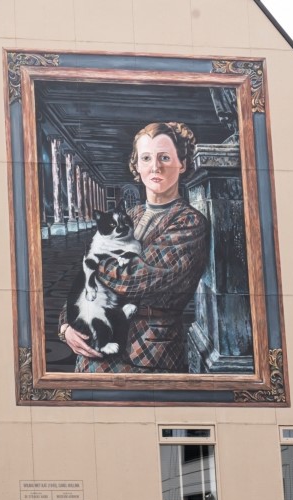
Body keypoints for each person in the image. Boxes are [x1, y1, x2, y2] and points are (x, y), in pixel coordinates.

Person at [59, 121, 209, 373]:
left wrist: (94, 261)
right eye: (146, 158)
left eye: (164, 157)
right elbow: (81, 281)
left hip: (146, 354)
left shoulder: (189, 222)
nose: (155, 166)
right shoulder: (131, 214)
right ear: (136, 167)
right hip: (92, 347)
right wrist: (66, 326)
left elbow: (135, 278)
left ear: (182, 163)